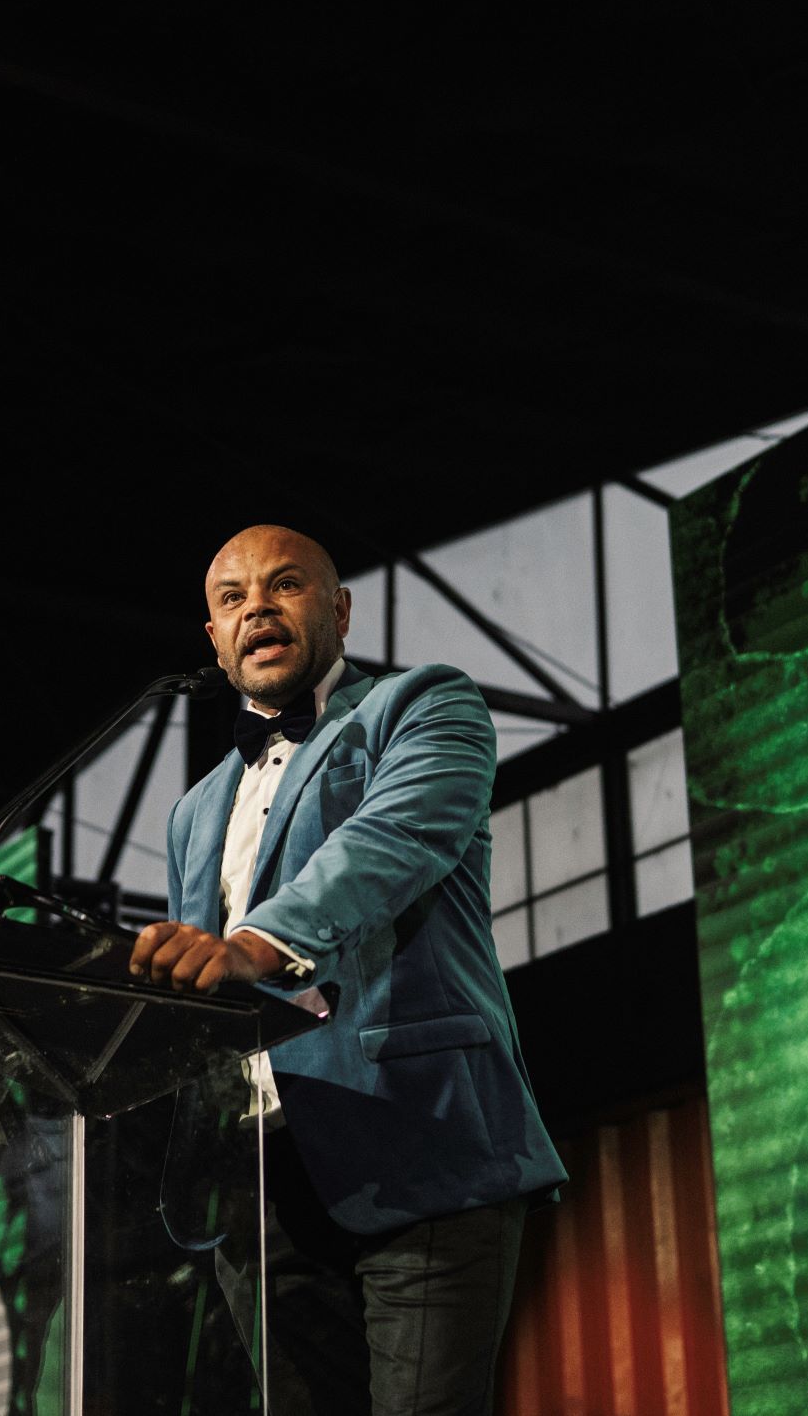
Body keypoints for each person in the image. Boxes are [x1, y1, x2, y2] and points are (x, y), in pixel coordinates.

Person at [129, 524, 566, 1416]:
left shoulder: (423, 705)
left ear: (339, 609)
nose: (257, 607)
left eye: (284, 584)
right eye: (232, 597)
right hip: (257, 1188)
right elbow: (198, 985)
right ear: (214, 638)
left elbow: (389, 843)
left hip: (419, 1143)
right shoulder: (193, 810)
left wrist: (254, 946)